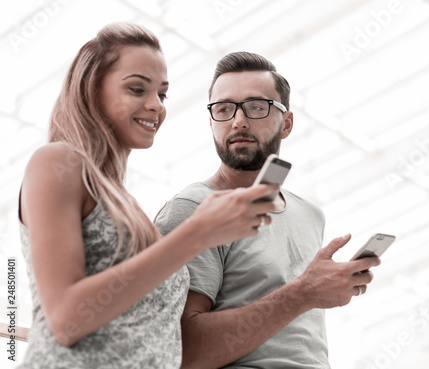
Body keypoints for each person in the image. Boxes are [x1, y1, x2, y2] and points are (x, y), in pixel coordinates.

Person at [17, 24, 278, 369]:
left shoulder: (129, 208)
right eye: (137, 89)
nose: (155, 105)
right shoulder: (58, 161)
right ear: (91, 90)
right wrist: (198, 233)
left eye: (163, 94)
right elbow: (66, 319)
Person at [154, 51, 381, 369]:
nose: (238, 120)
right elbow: (181, 354)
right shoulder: (192, 210)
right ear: (211, 122)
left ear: (286, 123)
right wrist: (303, 293)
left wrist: (320, 289)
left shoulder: (309, 214)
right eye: (223, 109)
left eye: (256, 107)